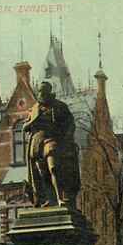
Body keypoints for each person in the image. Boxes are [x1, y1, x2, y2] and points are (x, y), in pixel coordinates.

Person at [24, 81, 80, 209]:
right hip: (37, 145)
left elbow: (70, 124)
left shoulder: (60, 106)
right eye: (40, 92)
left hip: (53, 140)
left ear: (49, 92)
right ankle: (50, 199)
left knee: (54, 168)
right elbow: (27, 125)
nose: (41, 94)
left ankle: (61, 198)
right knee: (43, 174)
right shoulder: (34, 108)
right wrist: (26, 125)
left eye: (44, 92)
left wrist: (67, 139)